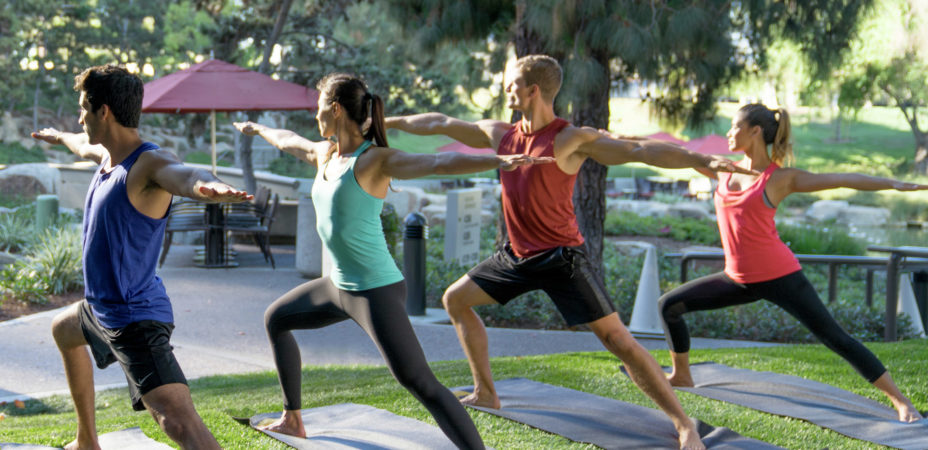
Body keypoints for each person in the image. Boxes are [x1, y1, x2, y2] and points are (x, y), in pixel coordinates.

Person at [387, 55, 758, 450]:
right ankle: (485, 392)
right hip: (515, 256)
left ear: (533, 90)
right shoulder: (501, 134)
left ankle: (684, 424)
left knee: (617, 339)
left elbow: (640, 151)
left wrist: (700, 159)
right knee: (456, 300)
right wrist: (386, 123)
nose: (506, 89)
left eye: (512, 83)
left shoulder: (569, 139)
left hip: (561, 258)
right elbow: (439, 123)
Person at [234, 73, 551, 449]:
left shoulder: (374, 161)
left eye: (319, 106)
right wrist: (256, 128)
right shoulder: (325, 153)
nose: (314, 115)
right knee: (277, 319)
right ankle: (292, 419)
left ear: (335, 109)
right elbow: (287, 140)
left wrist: (498, 161)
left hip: (374, 290)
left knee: (419, 381)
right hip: (338, 286)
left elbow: (436, 163)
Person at [647, 104, 924, 423]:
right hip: (737, 278)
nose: (729, 133)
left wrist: (894, 184)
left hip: (781, 275)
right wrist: (617, 140)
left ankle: (901, 402)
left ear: (755, 132)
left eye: (735, 126)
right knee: (670, 305)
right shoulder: (723, 168)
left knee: (835, 338)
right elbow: (673, 152)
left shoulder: (779, 179)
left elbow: (840, 179)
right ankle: (681, 375)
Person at [30, 64, 252, 450]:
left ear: (105, 112)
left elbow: (182, 174)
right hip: (100, 309)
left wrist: (205, 185)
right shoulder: (106, 155)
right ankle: (86, 441)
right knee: (63, 330)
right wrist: (58, 136)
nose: (79, 117)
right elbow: (78, 143)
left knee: (179, 424)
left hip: (134, 317)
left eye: (83, 108)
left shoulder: (148, 162)